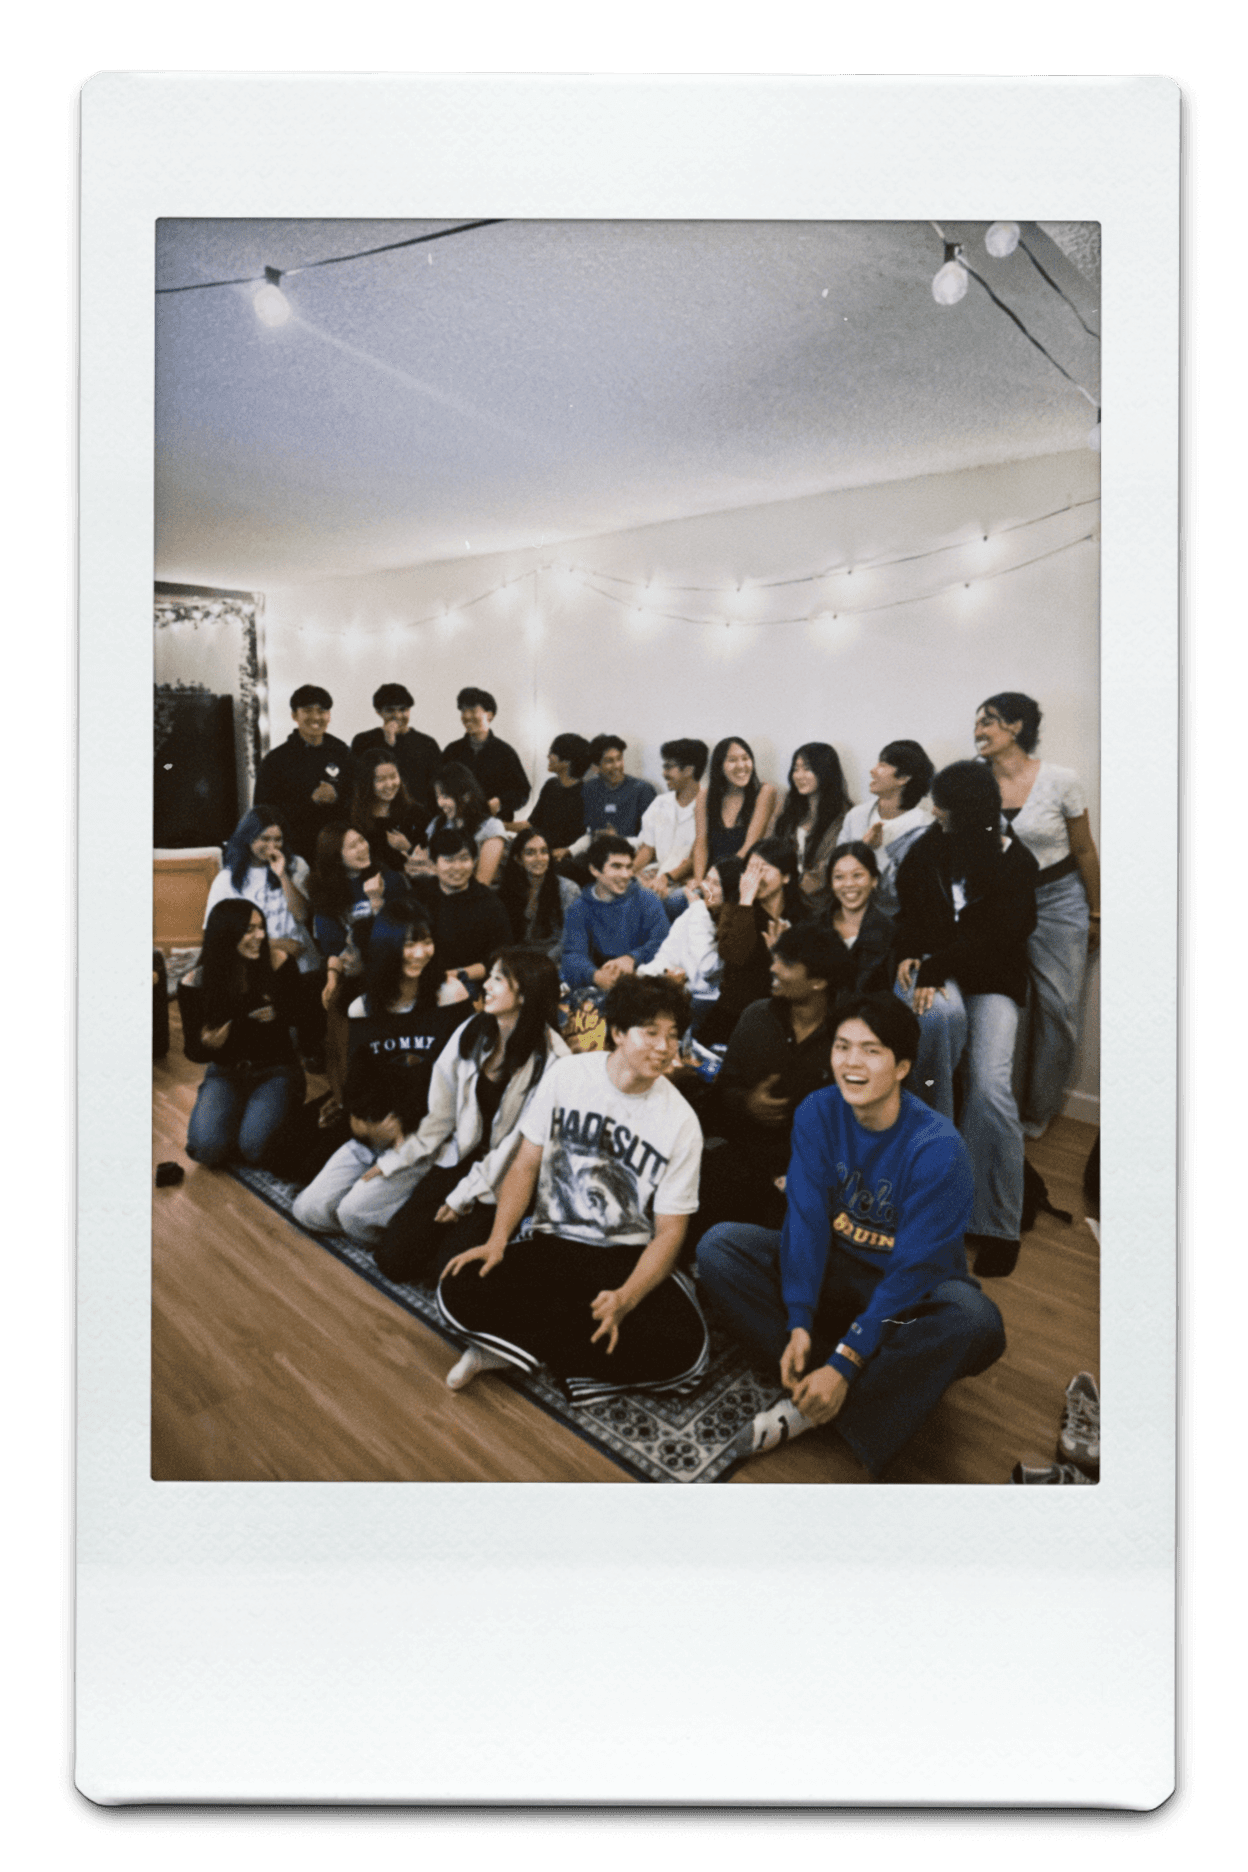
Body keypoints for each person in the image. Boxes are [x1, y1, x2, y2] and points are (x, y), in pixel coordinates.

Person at [697, 992, 1006, 1475]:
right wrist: (799, 1317)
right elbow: (805, 1220)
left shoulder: (939, 1148)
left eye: (871, 1050)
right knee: (720, 1249)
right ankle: (868, 1383)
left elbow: (913, 1272)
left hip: (907, 1299)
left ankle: (815, 1402)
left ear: (903, 1066)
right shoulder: (817, 1112)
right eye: (842, 1047)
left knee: (975, 1320)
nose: (852, 1063)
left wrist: (843, 1364)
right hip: (833, 1279)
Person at [435, 974, 709, 1401]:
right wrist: (497, 1240)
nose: (664, 1047)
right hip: (553, 1243)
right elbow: (525, 1164)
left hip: (621, 1259)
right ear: (617, 1032)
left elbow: (671, 1231)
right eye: (651, 1032)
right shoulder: (569, 1075)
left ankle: (510, 1349)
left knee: (688, 1354)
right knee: (457, 1284)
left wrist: (627, 1298)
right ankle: (557, 1351)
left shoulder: (682, 1123)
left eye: (673, 1037)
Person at [892, 760, 1038, 1277]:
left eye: (945, 805)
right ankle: (935, 1169)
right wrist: (912, 956)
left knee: (991, 1087)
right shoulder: (927, 847)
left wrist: (936, 963)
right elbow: (907, 915)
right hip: (938, 970)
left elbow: (1003, 937)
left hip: (992, 980)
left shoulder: (1014, 860)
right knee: (937, 1018)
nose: (936, 811)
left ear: (970, 811)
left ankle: (996, 1220)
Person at [369, 947, 570, 1283]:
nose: (486, 986)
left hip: (505, 1178)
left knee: (445, 1275)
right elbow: (440, 1114)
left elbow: (515, 1147)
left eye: (497, 980)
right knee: (392, 1260)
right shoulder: (474, 1031)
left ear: (526, 993)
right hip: (459, 1157)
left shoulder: (554, 1062)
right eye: (489, 977)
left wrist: (464, 1195)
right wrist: (398, 1159)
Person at [292, 907, 470, 1243]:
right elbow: (360, 1079)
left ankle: (416, 1215)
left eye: (426, 942)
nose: (420, 954)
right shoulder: (363, 1007)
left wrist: (408, 1136)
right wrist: (366, 1122)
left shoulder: (452, 995)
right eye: (408, 945)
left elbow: (462, 1080)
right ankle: (385, 1207)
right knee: (309, 1211)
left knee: (353, 1216)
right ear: (386, 949)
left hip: (426, 1137)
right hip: (376, 1132)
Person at [973, 691, 1101, 1138]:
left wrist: (1097, 913)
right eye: (977, 722)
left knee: (1057, 1008)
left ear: (1017, 727)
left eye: (988, 721)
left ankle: (1039, 1111)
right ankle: (996, 1101)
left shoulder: (1060, 780)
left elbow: (1084, 849)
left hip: (1059, 901)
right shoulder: (976, 781)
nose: (978, 730)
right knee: (1005, 1003)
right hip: (1000, 905)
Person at [689, 923, 849, 1253]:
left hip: (816, 1175)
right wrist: (747, 1102)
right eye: (776, 959)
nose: (773, 968)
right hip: (745, 1162)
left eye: (787, 964)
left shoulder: (850, 1038)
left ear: (818, 981)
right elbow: (721, 1096)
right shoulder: (755, 1017)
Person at [185, 902, 305, 1168]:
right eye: (249, 929)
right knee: (206, 1150)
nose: (261, 936)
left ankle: (256, 1116)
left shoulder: (281, 963)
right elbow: (193, 1051)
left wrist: (279, 1013)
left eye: (261, 927)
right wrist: (207, 1044)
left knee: (255, 1149)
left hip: (275, 1070)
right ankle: (241, 1113)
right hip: (225, 1073)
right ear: (226, 934)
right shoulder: (195, 981)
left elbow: (303, 1018)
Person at [306, 822, 406, 1120]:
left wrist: (376, 901)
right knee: (334, 1003)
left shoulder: (388, 878)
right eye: (353, 846)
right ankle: (344, 1092)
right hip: (351, 969)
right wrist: (333, 976)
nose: (363, 849)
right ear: (336, 856)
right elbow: (331, 943)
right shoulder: (323, 886)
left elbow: (401, 933)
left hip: (390, 966)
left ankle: (381, 1089)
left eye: (363, 841)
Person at [204, 806, 323, 1052]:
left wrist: (282, 876)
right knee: (274, 1038)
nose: (272, 846)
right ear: (247, 838)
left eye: (278, 839)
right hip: (257, 963)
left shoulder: (297, 865)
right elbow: (216, 934)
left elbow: (302, 914)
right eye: (264, 839)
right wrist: (276, 944)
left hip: (302, 962)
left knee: (308, 1036)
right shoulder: (227, 879)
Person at [699, 837, 807, 1045]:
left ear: (786, 877)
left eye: (763, 869)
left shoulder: (802, 919)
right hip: (732, 1016)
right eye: (749, 870)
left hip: (779, 1020)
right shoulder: (736, 910)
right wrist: (746, 899)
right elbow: (735, 955)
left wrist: (780, 955)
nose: (754, 877)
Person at [254, 684, 355, 862]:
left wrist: (337, 797)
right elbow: (263, 813)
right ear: (294, 715)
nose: (316, 717)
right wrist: (311, 801)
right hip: (295, 852)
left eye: (322, 711)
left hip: (340, 851)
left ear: (329, 715)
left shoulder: (343, 753)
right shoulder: (275, 760)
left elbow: (359, 797)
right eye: (308, 710)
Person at [560, 834, 669, 992]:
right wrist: (596, 976)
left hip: (642, 984)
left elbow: (663, 941)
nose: (625, 875)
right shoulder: (579, 909)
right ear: (594, 869)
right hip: (598, 986)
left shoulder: (647, 899)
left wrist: (632, 958)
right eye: (616, 866)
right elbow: (572, 955)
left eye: (628, 867)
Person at [412, 825, 512, 996]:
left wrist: (454, 975)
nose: (457, 867)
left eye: (464, 859)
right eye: (449, 860)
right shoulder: (420, 896)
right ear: (434, 863)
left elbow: (499, 960)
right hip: (421, 977)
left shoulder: (490, 904)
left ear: (474, 861)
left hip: (467, 982)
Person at [840, 740, 936, 916]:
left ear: (903, 778)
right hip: (850, 916)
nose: (872, 770)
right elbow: (835, 869)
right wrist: (863, 848)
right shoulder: (857, 815)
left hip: (897, 923)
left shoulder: (924, 828)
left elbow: (908, 891)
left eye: (882, 765)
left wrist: (874, 853)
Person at [637, 865, 725, 1022]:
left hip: (707, 1001)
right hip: (678, 991)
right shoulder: (694, 912)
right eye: (706, 880)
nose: (706, 888)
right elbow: (665, 956)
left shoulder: (702, 913)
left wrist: (698, 909)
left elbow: (707, 967)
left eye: (716, 884)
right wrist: (661, 975)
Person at [631, 738, 708, 916]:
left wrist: (667, 878)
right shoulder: (660, 803)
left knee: (656, 901)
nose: (664, 773)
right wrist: (628, 873)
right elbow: (647, 850)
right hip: (658, 874)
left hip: (684, 882)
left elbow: (697, 855)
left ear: (689, 770)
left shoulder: (708, 805)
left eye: (669, 767)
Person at [771, 743, 851, 914]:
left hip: (822, 905)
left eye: (807, 769)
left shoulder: (844, 817)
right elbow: (773, 853)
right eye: (795, 769)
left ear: (825, 771)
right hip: (784, 900)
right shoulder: (790, 811)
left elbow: (831, 867)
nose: (799, 775)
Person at [692, 736, 778, 883]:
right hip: (711, 878)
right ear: (720, 765)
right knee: (677, 899)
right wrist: (699, 881)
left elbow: (750, 846)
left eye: (746, 758)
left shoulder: (765, 792)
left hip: (744, 876)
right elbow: (701, 844)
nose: (741, 765)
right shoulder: (704, 796)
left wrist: (716, 879)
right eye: (732, 760)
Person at [350, 682, 441, 822]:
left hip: (417, 819)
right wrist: (388, 742)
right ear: (379, 712)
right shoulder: (363, 741)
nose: (397, 715)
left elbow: (436, 787)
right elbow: (358, 783)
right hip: (374, 819)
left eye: (403, 709)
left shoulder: (427, 744)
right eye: (390, 710)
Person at [441, 685, 531, 821]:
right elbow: (438, 785)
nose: (466, 716)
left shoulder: (505, 753)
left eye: (472, 710)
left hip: (493, 824)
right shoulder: (452, 751)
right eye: (463, 711)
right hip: (458, 823)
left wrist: (500, 802)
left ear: (490, 714)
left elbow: (522, 792)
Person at [498, 826, 580, 962]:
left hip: (554, 961)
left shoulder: (568, 890)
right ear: (518, 859)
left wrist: (542, 963)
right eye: (530, 853)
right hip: (518, 959)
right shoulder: (508, 890)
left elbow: (569, 939)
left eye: (544, 852)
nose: (539, 858)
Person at [826, 841, 895, 993]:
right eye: (839, 877)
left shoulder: (891, 933)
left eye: (857, 875)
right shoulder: (813, 927)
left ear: (874, 880)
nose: (849, 884)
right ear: (831, 883)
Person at [349, 745, 430, 874]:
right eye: (380, 779)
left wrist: (408, 848)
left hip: (410, 887)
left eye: (393, 776)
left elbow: (432, 862)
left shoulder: (416, 813)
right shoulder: (354, 818)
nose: (389, 784)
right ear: (367, 782)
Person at [426, 762, 507, 886]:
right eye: (438, 797)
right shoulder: (437, 823)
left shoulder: (491, 827)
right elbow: (428, 862)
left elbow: (482, 882)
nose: (440, 803)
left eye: (446, 796)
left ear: (467, 797)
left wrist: (434, 873)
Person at [525, 733, 593, 862]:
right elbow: (532, 824)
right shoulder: (551, 785)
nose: (548, 756)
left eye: (552, 752)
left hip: (566, 859)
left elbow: (592, 835)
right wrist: (501, 825)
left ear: (567, 760)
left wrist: (568, 851)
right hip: (540, 849)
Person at [581, 735, 657, 841]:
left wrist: (618, 839)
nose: (617, 765)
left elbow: (652, 839)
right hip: (596, 852)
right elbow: (586, 831)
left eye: (619, 758)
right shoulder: (589, 789)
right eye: (609, 761)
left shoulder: (643, 790)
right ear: (595, 767)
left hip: (631, 853)